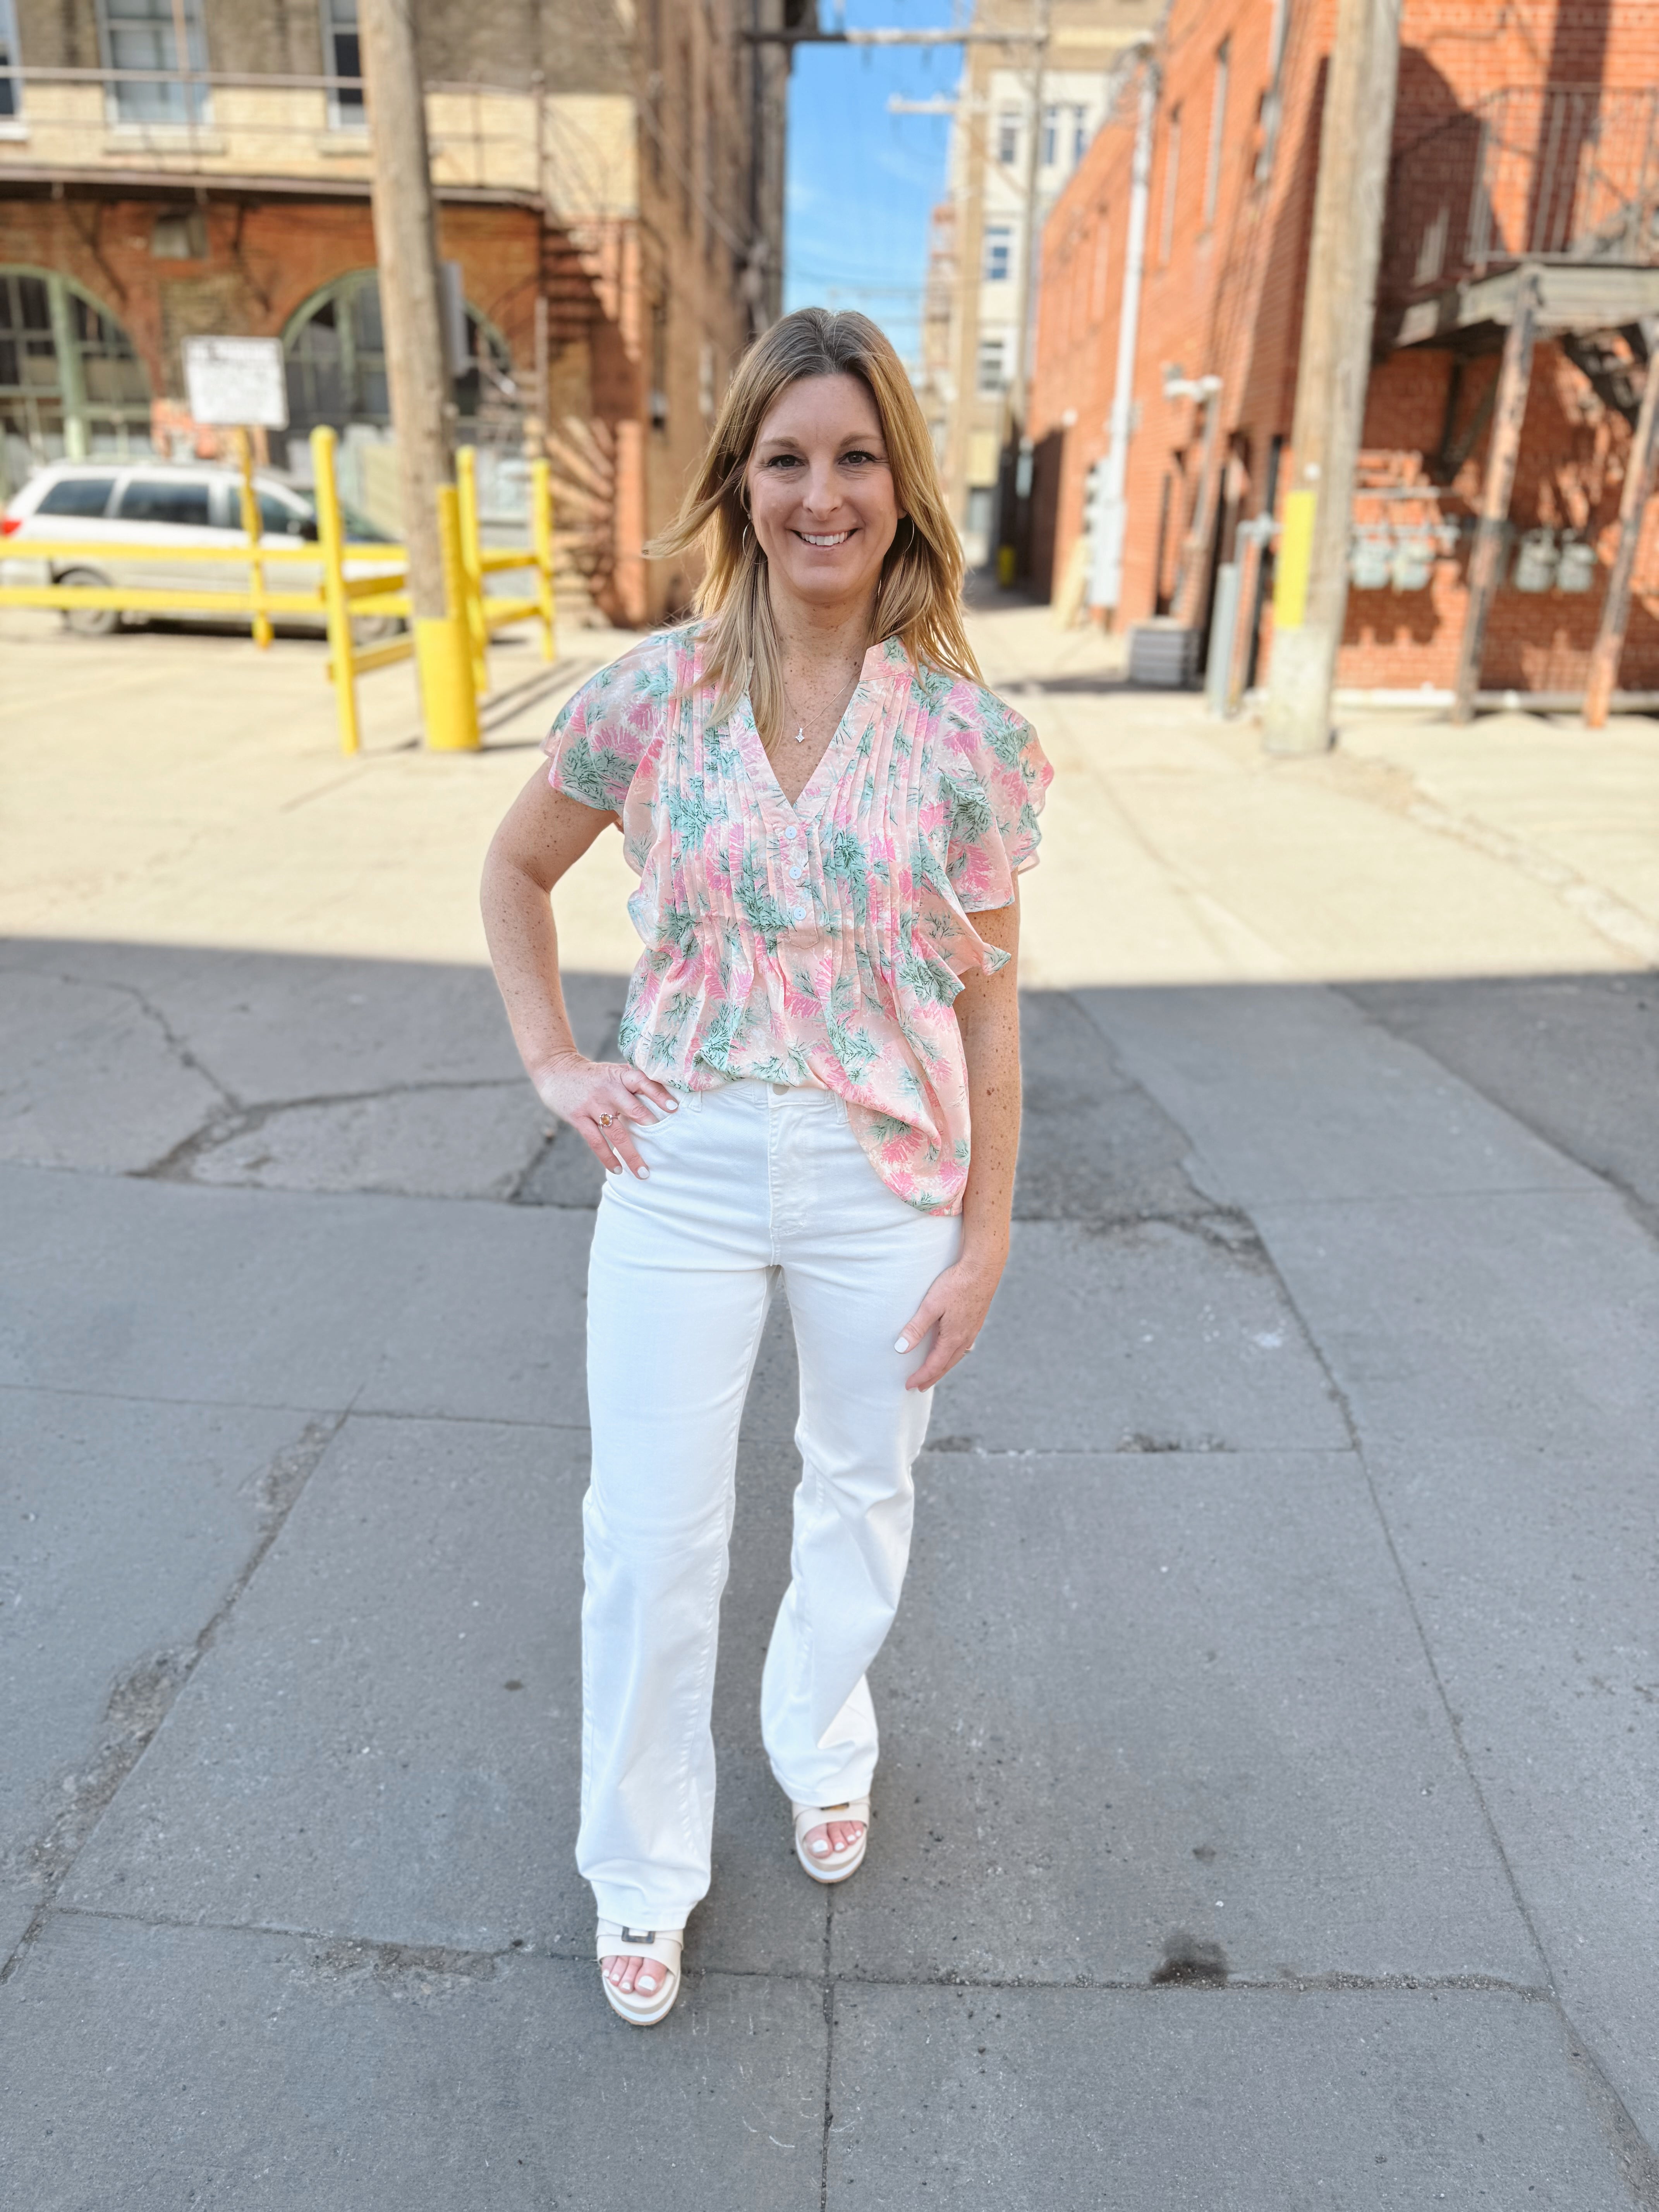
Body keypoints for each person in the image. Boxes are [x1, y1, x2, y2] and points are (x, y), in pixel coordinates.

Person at [481, 307, 1050, 2027]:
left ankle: (820, 1742)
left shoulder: (966, 736)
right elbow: (517, 871)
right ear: (741, 478)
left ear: (900, 483)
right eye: (787, 457)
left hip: (890, 1169)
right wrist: (554, 1061)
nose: (822, 493)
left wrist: (989, 1233)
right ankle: (641, 1870)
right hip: (688, 1157)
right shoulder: (653, 696)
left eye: (855, 456)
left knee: (860, 1489)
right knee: (648, 1536)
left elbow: (991, 998)